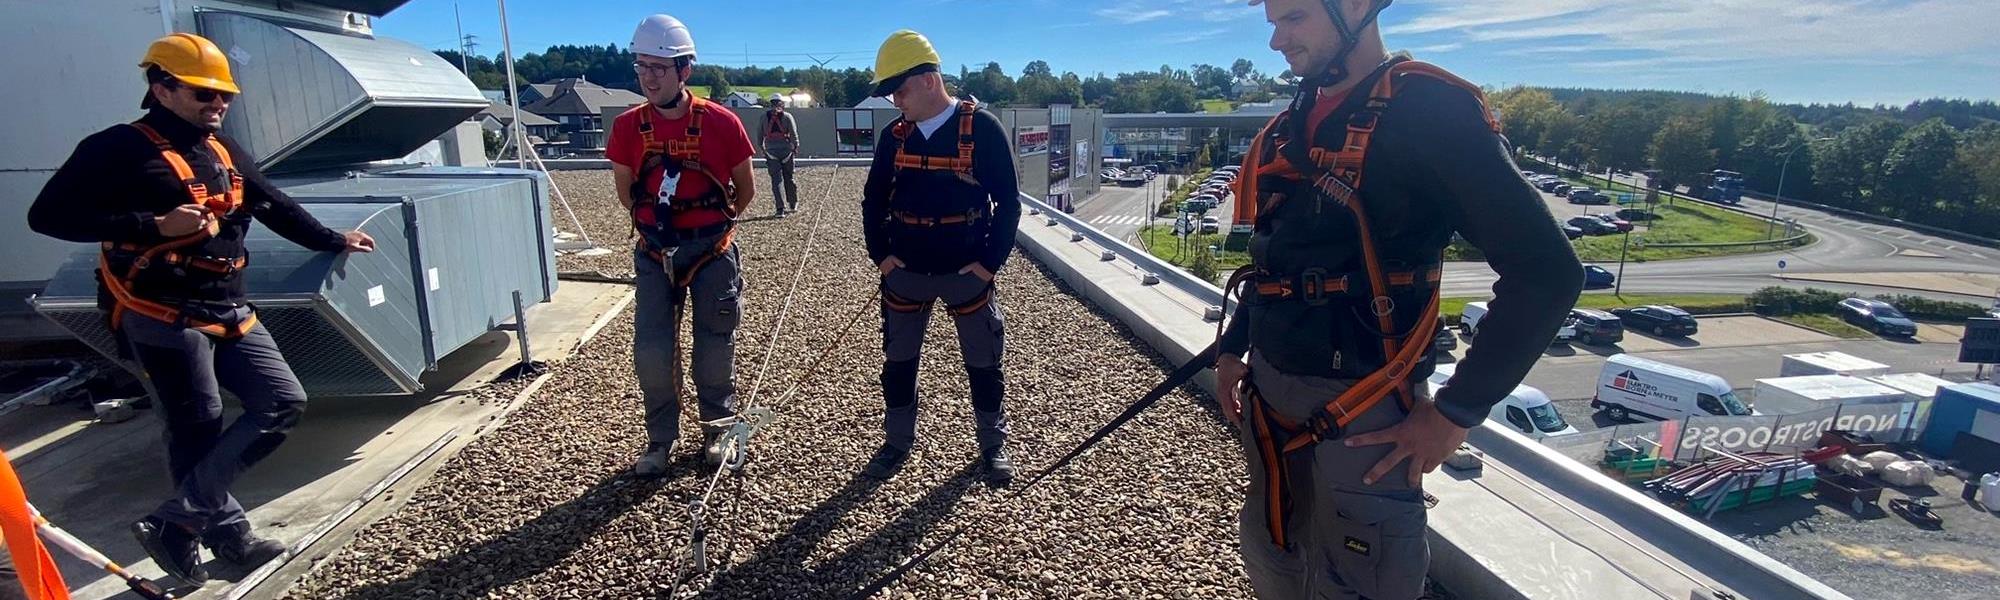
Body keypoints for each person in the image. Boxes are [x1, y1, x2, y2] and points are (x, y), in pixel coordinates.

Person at [1215, 1, 1584, 598]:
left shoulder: (1429, 110)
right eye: (1273, 22)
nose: (1277, 41)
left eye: (1295, 18)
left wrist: (1455, 414)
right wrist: (1233, 348)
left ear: (1356, 6)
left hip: (1366, 411)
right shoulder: (1296, 118)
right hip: (1271, 397)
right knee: (1273, 555)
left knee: (1362, 580)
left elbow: (1547, 273)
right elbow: (1276, 256)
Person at [27, 33, 377, 587]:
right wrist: (151, 226)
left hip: (228, 303)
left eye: (223, 97)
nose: (216, 105)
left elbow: (271, 204)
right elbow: (47, 217)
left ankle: (179, 521)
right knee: (195, 424)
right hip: (158, 310)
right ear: (160, 87)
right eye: (202, 94)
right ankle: (230, 538)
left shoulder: (223, 148)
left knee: (281, 401)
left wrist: (331, 238)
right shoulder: (114, 149)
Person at [859, 30, 1022, 485]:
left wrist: (989, 265)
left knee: (985, 363)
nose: (894, 100)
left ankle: (993, 445)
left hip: (966, 274)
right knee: (898, 361)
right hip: (905, 273)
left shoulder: (983, 129)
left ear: (930, 80)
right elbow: (872, 201)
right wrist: (882, 258)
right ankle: (896, 442)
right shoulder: (894, 138)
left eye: (900, 88)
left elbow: (1008, 204)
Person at [608, 14, 758, 478]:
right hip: (655, 252)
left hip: (711, 250)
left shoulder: (722, 123)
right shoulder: (628, 128)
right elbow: (626, 192)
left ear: (683, 70)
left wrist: (709, 229)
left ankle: (716, 433)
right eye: (642, 67)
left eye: (659, 67)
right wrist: (659, 232)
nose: (649, 77)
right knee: (652, 350)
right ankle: (660, 440)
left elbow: (745, 190)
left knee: (714, 345)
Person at [760, 93, 801, 217]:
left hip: (771, 152)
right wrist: (795, 146)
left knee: (776, 181)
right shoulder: (787, 117)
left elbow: (759, 134)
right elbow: (793, 133)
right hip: (786, 151)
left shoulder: (763, 117)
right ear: (781, 103)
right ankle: (792, 203)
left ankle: (780, 209)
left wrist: (763, 149)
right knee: (789, 177)